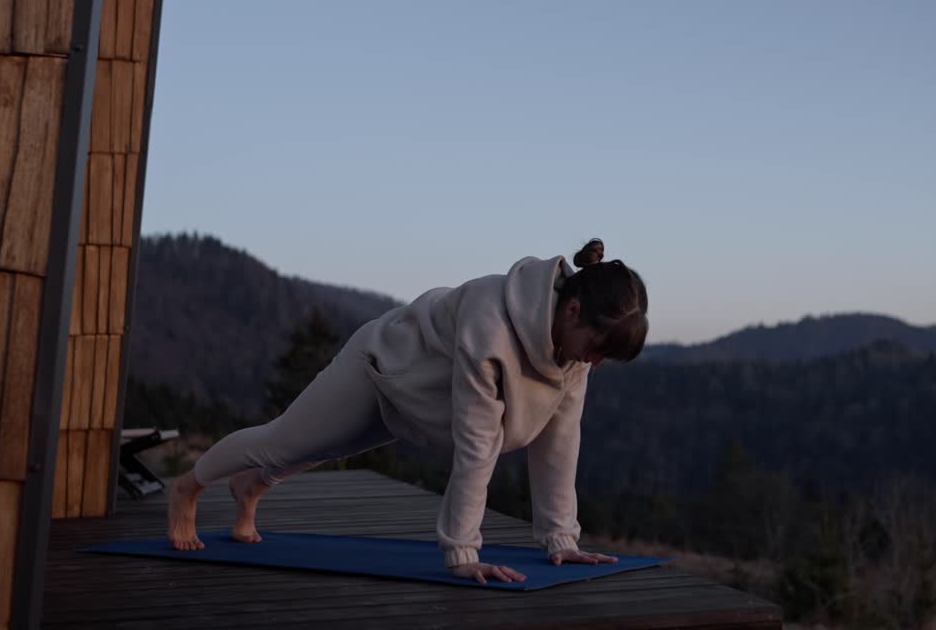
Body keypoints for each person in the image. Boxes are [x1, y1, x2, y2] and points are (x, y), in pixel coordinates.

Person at [166, 238, 649, 584]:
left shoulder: (574, 354)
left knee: (321, 448)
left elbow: (560, 445)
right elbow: (478, 445)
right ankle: (189, 487)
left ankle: (249, 489)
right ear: (572, 310)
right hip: (378, 368)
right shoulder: (491, 323)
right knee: (285, 441)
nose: (595, 361)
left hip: (420, 404)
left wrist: (561, 539)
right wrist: (462, 551)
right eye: (597, 347)